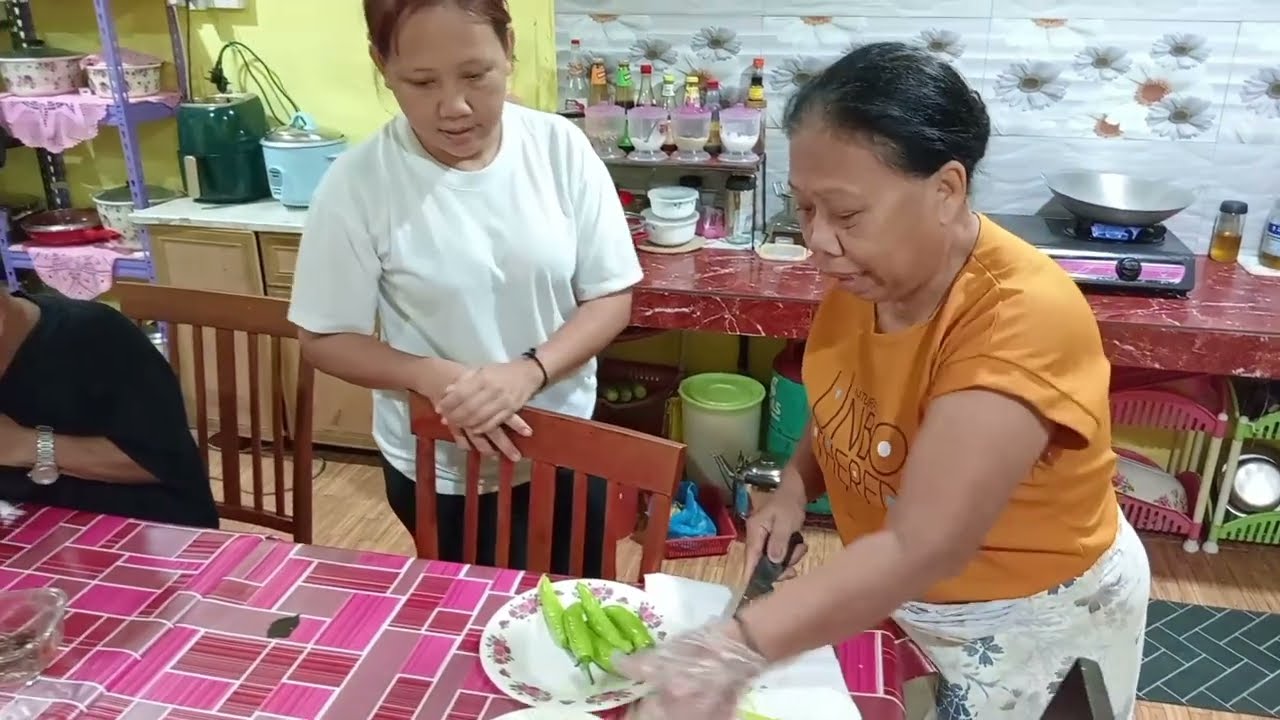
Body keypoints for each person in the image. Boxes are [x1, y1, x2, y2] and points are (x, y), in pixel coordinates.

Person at [617, 43, 1150, 720]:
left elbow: (926, 542)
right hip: (905, 594)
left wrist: (736, 646)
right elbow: (850, 399)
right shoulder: (871, 273)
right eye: (804, 208)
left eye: (844, 214)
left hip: (1027, 624)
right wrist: (795, 485)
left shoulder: (1019, 319)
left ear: (946, 190)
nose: (819, 241)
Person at [287, 0, 641, 575]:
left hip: (566, 444)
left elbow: (610, 296)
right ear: (382, 68)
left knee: (581, 616)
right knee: (470, 630)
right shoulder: (358, 182)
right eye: (421, 82)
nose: (453, 107)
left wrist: (530, 371)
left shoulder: (559, 148)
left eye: (476, 75)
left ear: (508, 51)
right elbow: (323, 336)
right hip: (443, 466)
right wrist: (426, 374)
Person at [0, 291, 217, 528]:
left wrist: (30, 445)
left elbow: (161, 464)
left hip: (142, 526)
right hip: (27, 525)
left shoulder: (94, 335)